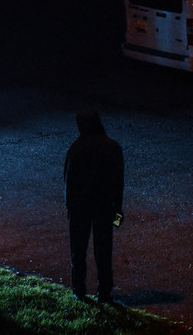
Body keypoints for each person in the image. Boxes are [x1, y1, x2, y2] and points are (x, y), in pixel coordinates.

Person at [63, 109, 124, 303]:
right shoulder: (112, 147)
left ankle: (79, 289)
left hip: (80, 207)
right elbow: (117, 182)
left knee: (78, 250)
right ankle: (104, 291)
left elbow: (69, 182)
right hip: (104, 206)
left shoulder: (75, 149)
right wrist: (118, 211)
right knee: (103, 249)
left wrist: (70, 209)